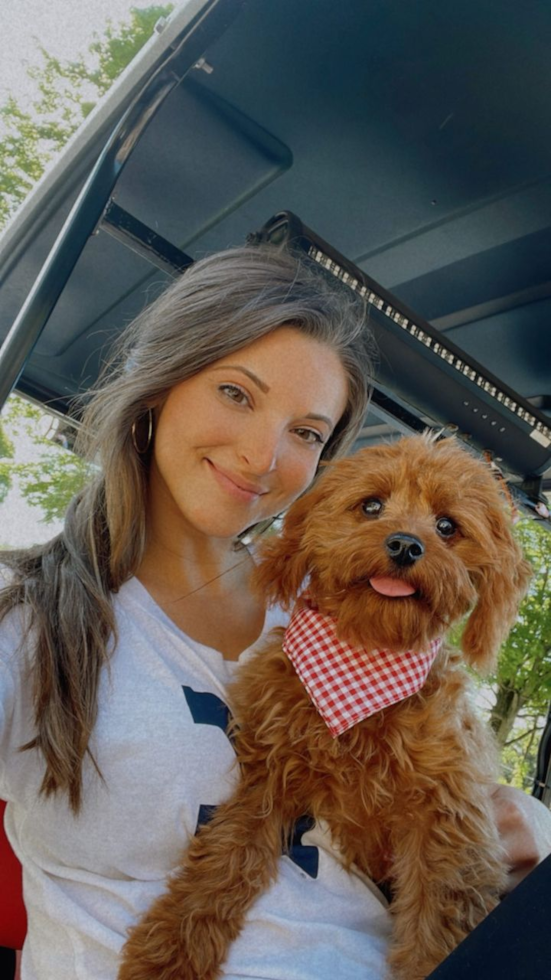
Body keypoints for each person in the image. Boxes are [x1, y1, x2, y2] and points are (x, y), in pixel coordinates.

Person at [0, 245, 550, 980]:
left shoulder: (338, 598)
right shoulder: (29, 618)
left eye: (306, 433)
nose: (263, 455)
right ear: (160, 382)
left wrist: (525, 828)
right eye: (237, 393)